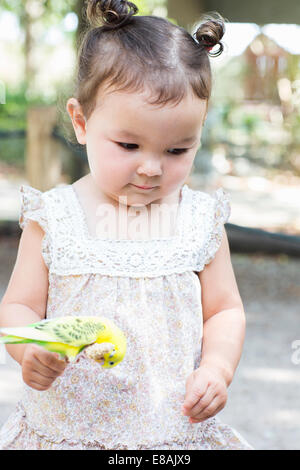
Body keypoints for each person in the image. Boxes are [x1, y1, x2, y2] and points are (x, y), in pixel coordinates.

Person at [0, 0, 253, 450]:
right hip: (66, 434)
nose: (152, 168)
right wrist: (30, 349)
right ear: (81, 122)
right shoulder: (54, 217)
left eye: (178, 150)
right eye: (129, 144)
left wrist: (216, 369)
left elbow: (224, 310)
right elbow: (18, 308)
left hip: (169, 438)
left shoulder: (199, 221)